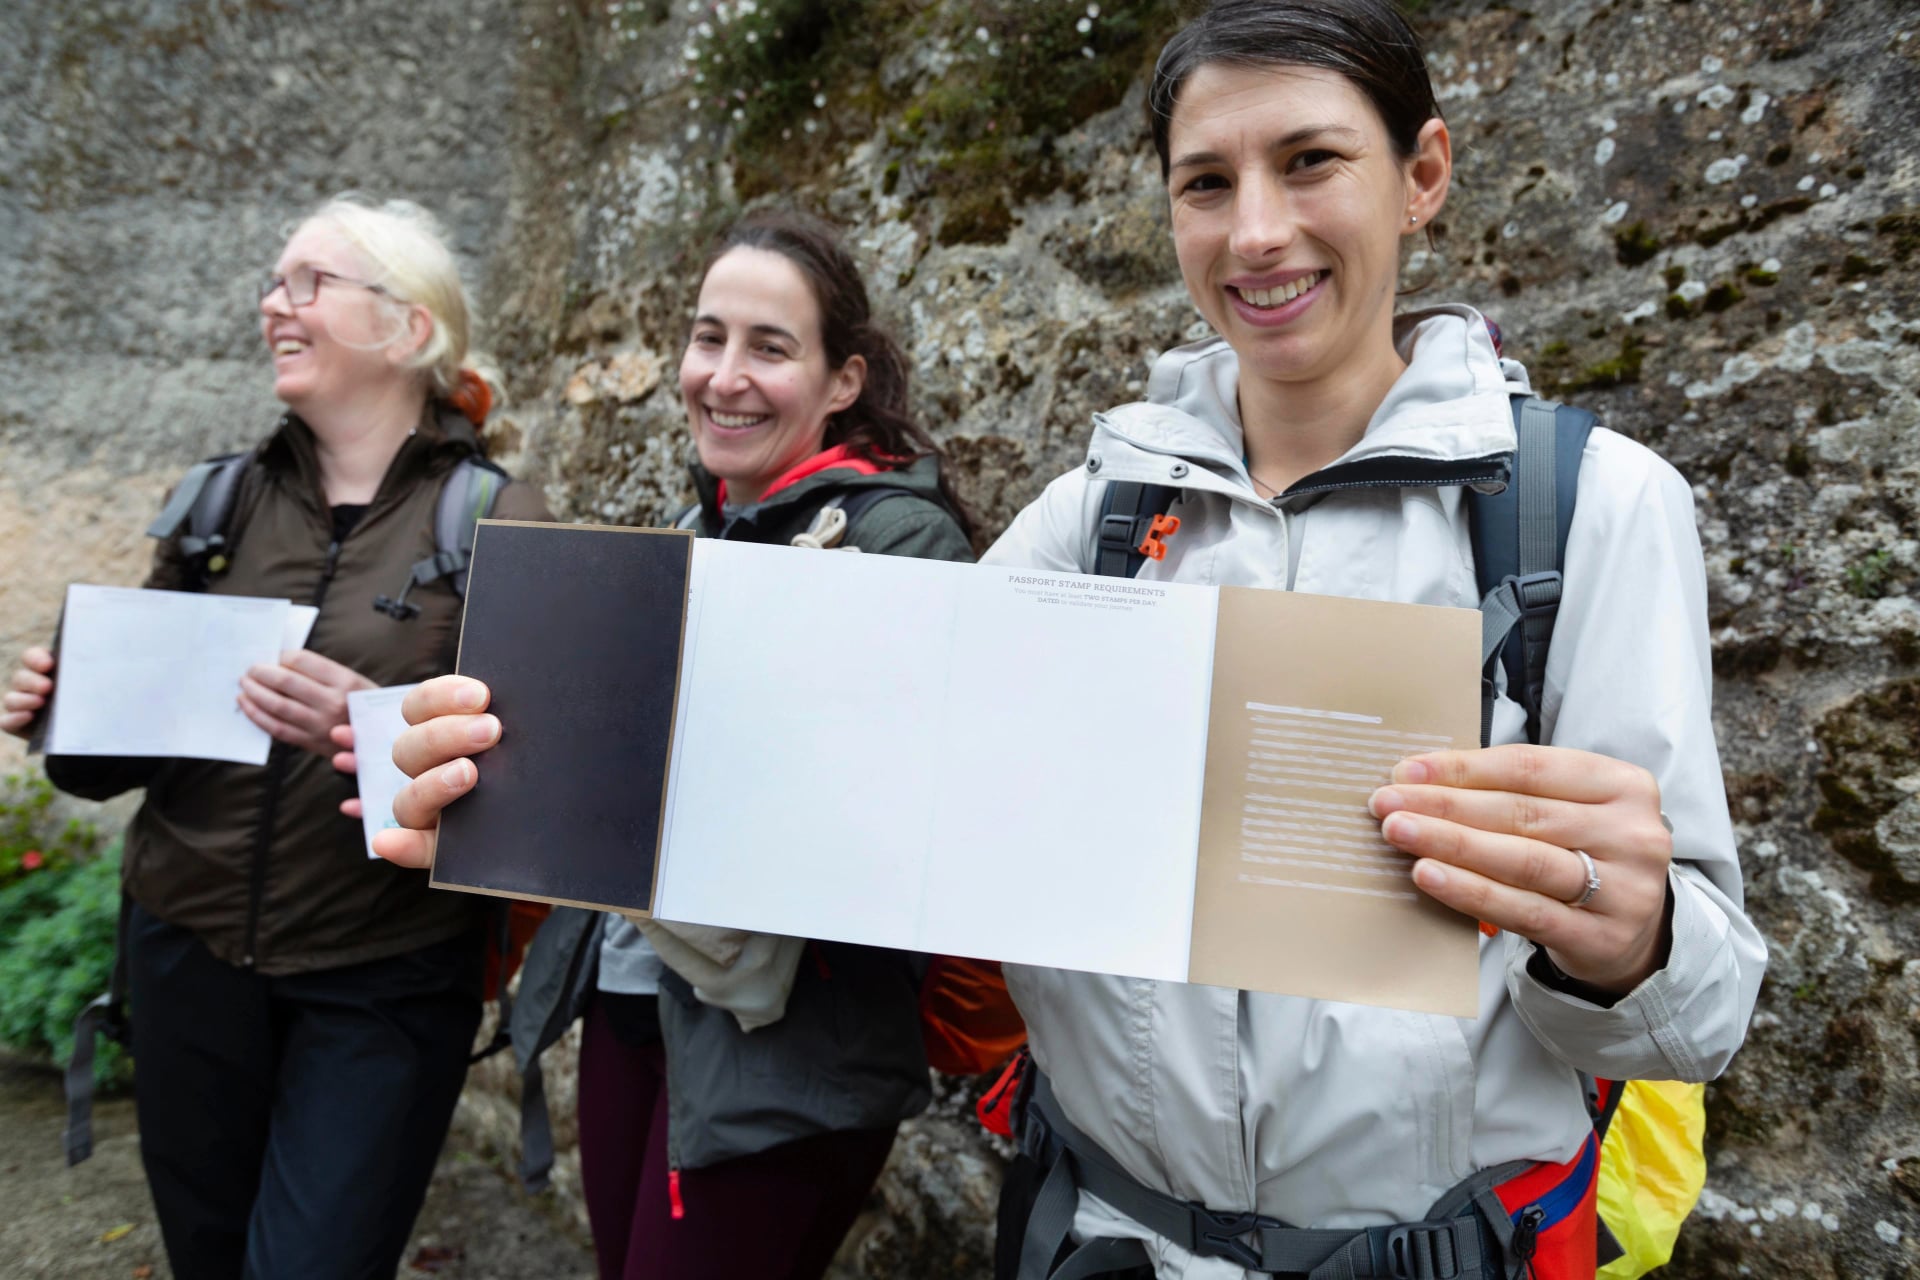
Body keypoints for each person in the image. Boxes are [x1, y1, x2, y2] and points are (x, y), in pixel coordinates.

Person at [966, 3, 1768, 1277]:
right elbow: (878, 769)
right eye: (1207, 184)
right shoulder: (1094, 520)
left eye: (1311, 161)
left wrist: (1635, 938)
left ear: (1423, 176)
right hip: (1104, 1240)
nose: (1257, 231)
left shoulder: (1587, 510)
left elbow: (1705, 1011)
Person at [374, 209, 976, 1280]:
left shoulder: (900, 538)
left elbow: (894, 821)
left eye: (769, 346)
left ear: (843, 380)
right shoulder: (696, 535)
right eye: (709, 337)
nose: (725, 375)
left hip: (783, 1048)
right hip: (632, 993)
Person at [1, 194, 551, 1280]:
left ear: (407, 329)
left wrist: (372, 718)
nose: (273, 305)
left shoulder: (498, 517)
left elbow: (539, 786)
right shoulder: (217, 500)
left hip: (381, 976)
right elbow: (113, 763)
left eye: (310, 283)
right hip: (185, 951)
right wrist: (65, 707)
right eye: (273, 280)